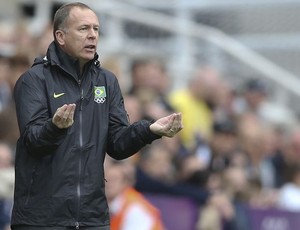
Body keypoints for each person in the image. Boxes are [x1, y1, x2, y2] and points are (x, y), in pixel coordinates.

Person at [11, 2, 182, 230]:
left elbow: (117, 145)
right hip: (43, 219)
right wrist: (55, 128)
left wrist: (148, 130)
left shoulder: (106, 81)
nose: (92, 35)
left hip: (93, 218)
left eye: (96, 29)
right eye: (83, 29)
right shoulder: (34, 80)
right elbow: (33, 141)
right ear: (61, 36)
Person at [104, 157, 165, 230]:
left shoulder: (136, 209)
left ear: (125, 183)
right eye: (106, 179)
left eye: (114, 179)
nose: (108, 184)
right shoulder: (109, 204)